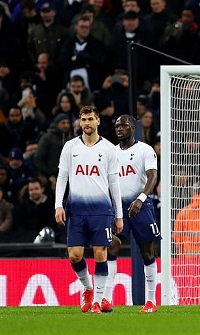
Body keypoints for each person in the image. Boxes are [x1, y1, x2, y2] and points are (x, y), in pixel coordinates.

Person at [54, 106, 124, 314]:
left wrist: (119, 215)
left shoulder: (110, 149)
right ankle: (88, 289)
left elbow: (114, 184)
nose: (86, 123)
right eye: (83, 119)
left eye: (90, 119)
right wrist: (58, 204)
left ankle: (98, 302)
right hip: (76, 209)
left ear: (98, 121)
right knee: (74, 255)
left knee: (100, 252)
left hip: (102, 210)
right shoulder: (69, 147)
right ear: (80, 122)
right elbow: (62, 177)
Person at [103, 115, 160, 313]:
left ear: (133, 128)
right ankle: (106, 300)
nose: (119, 128)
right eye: (117, 125)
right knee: (111, 248)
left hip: (141, 206)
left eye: (123, 125)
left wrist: (141, 199)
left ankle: (151, 301)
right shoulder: (111, 153)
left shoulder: (145, 150)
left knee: (147, 253)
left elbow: (153, 177)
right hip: (118, 208)